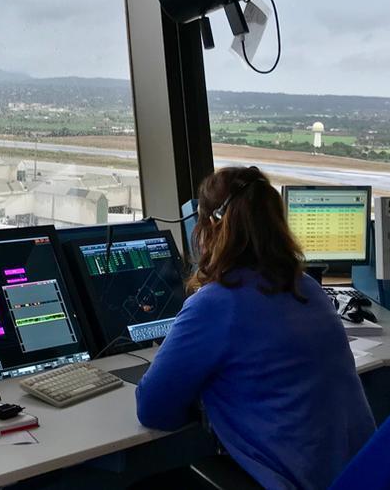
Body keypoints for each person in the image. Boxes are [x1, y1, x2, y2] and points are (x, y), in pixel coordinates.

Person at [135, 166, 375, 490]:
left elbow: (153, 409)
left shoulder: (216, 303)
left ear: (210, 229)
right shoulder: (306, 287)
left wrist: (199, 401)